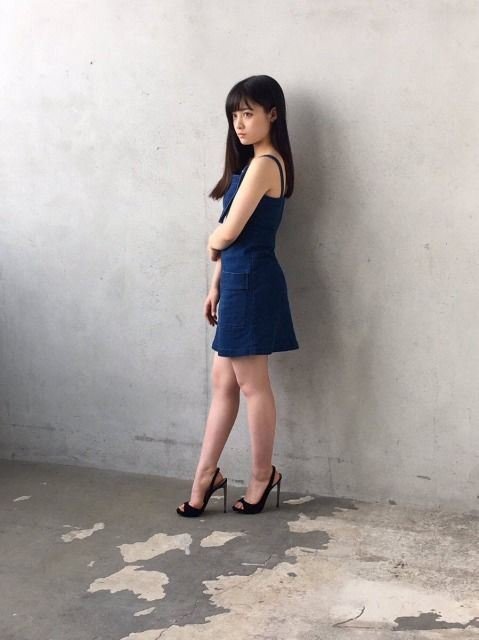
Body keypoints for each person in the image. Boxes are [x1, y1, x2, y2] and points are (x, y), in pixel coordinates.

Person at [177, 74, 299, 517]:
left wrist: (212, 242)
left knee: (252, 385)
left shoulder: (266, 164)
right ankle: (206, 476)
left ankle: (262, 476)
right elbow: (233, 235)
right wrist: (215, 284)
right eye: (234, 115)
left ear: (273, 114)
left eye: (248, 113)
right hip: (238, 281)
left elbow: (228, 232)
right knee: (224, 383)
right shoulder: (250, 165)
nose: (240, 123)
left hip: (252, 282)